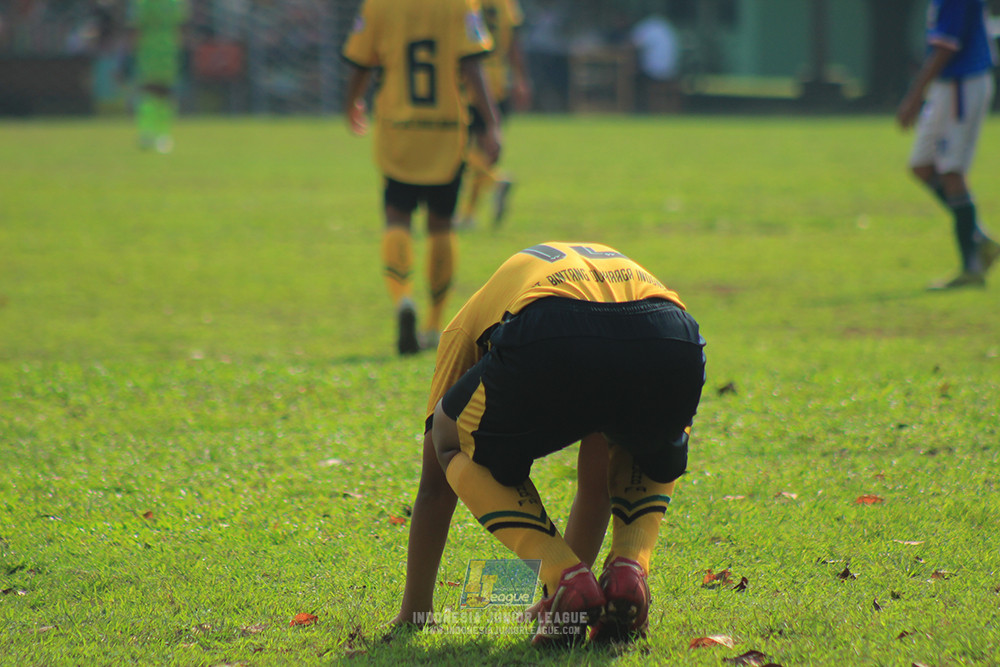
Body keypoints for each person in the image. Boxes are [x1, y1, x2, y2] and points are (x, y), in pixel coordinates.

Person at [390, 241, 706, 644]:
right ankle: (629, 568)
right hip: (670, 332)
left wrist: (414, 610)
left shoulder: (464, 326)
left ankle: (566, 579)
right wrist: (564, 603)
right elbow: (595, 490)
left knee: (447, 438)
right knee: (641, 440)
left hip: (553, 325)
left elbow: (435, 488)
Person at [342, 0, 502, 355]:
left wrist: (351, 101)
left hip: (398, 129)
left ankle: (403, 299)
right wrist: (491, 123)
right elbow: (474, 64)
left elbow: (360, 60)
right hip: (445, 130)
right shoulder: (461, 4)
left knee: (397, 216)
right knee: (441, 225)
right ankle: (433, 325)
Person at [897, 0, 1000, 289]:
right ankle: (979, 239)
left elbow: (946, 46)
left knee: (952, 172)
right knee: (921, 167)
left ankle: (972, 268)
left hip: (963, 84)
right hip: (947, 86)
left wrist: (914, 95)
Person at [454, 0, 532, 231]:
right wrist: (520, 78)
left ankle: (494, 181)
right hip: (499, 82)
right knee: (484, 150)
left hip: (472, 81)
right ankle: (469, 215)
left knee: (457, 148)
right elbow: (514, 42)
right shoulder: (506, 4)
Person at [128, 0, 188, 153]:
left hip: (160, 50)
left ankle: (157, 133)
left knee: (160, 93)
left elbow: (180, 28)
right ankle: (153, 133)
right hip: (158, 49)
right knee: (154, 92)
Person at [628, 13, 681, 113]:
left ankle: (634, 107)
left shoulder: (645, 27)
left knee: (629, 76)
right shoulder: (667, 26)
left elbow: (632, 46)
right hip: (672, 70)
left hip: (654, 72)